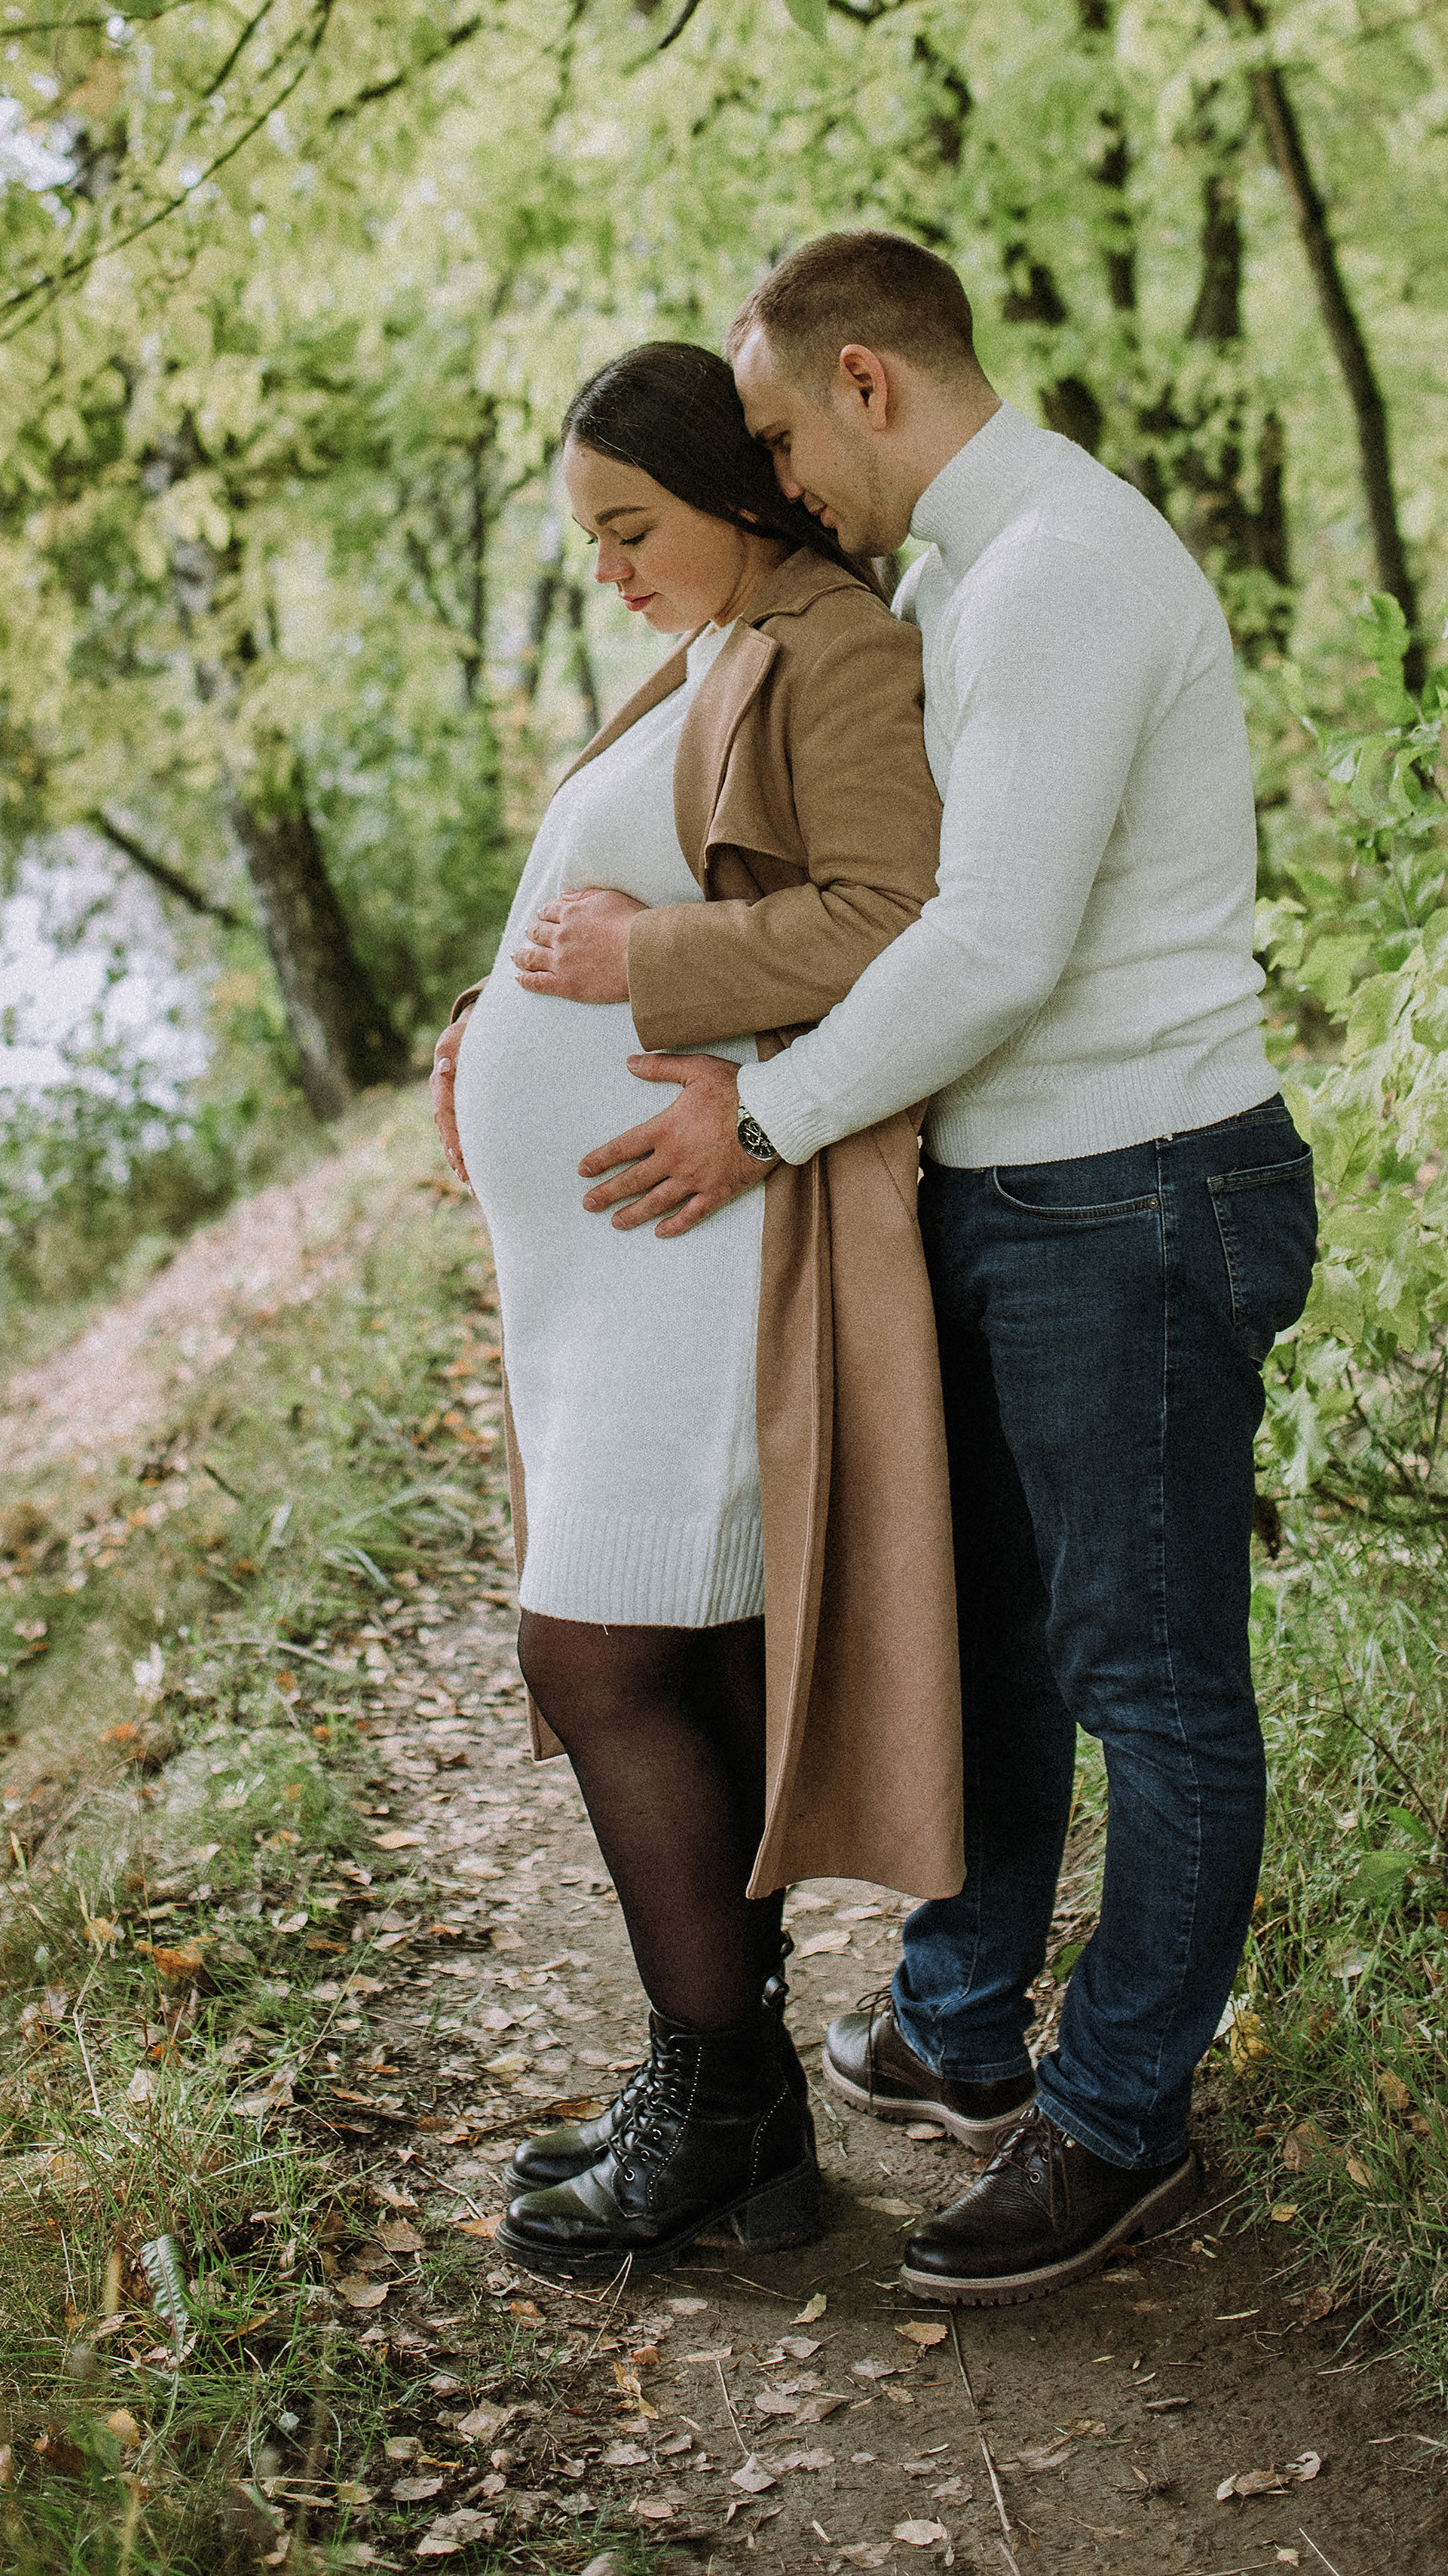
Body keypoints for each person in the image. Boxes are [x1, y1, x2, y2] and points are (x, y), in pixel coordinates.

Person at [562, 232, 1318, 2308]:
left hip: (1140, 1189)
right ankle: (961, 2016)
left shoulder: (1065, 570)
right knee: (1003, 1638)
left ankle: (1115, 2120)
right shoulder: (964, 582)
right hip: (1022, 1187)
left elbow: (989, 941)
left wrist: (765, 1116)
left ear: (870, 382)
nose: (782, 474)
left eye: (787, 429)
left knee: (1155, 1684)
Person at [431, 339, 969, 2287]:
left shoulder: (831, 643)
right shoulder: (728, 634)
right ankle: (738, 2115)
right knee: (668, 1660)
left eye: (627, 524)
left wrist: (653, 981)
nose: (608, 567)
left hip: (698, 1248)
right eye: (587, 536)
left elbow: (900, 921)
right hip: (621, 1268)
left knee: (595, 1658)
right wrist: (492, 1026)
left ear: (734, 490)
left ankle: (719, 2090)